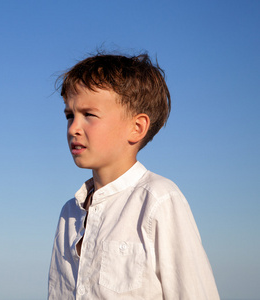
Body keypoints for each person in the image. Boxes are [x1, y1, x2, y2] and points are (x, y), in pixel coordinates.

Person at [48, 52, 220, 299]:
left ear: (136, 127)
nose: (74, 128)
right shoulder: (69, 214)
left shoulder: (159, 200)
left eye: (89, 115)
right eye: (69, 116)